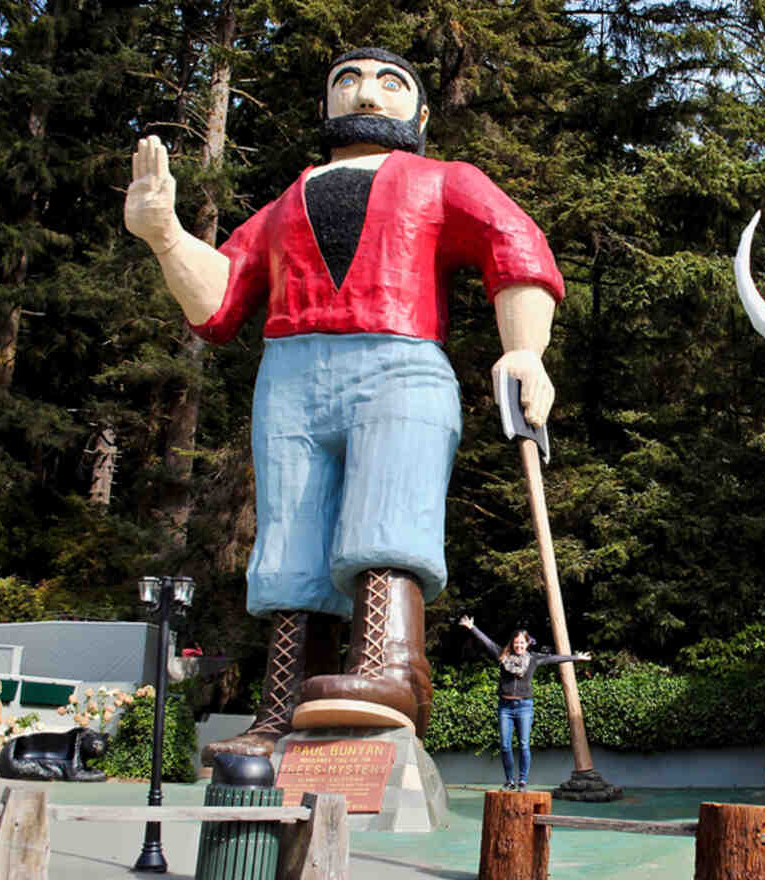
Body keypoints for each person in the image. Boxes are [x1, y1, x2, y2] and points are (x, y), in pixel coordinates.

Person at [123, 46, 564, 763]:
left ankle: (393, 669)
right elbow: (220, 300)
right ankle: (285, 699)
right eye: (347, 82)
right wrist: (166, 235)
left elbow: (514, 247)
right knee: (290, 536)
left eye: (389, 83)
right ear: (325, 107)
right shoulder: (285, 203)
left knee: (387, 514)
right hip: (291, 373)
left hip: (399, 360)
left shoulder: (445, 181)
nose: (365, 93)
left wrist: (523, 349)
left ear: (420, 114)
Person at [458, 615, 591, 790]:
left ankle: (522, 780)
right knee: (505, 745)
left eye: (522, 643)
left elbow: (554, 659)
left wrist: (576, 657)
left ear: (527, 644)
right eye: (516, 643)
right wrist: (472, 628)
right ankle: (509, 780)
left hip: (524, 707)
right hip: (505, 707)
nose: (519, 646)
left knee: (523, 745)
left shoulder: (533, 659)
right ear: (512, 643)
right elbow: (487, 642)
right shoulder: (502, 656)